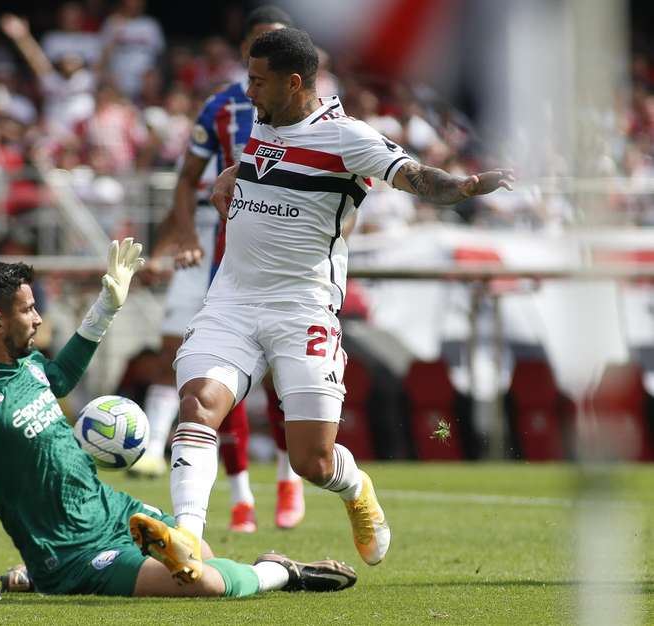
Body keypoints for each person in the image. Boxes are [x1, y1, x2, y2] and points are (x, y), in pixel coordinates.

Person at [148, 28, 515, 583]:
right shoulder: (264, 121)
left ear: (295, 82)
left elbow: (415, 176)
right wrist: (230, 174)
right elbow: (263, 166)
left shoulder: (347, 138)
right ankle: (189, 541)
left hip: (303, 308)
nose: (248, 90)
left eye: (257, 80)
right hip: (233, 298)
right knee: (199, 405)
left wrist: (461, 188)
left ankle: (356, 487)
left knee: (311, 461)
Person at [0, 238, 357, 600]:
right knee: (201, 582)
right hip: (73, 555)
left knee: (205, 558)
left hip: (116, 511)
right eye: (28, 310)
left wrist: (105, 307)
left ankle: (31, 574)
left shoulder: (27, 363)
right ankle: (282, 572)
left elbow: (58, 377)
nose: (39, 318)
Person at [133, 6, 307, 534]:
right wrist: (182, 234)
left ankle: (288, 479)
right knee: (216, 377)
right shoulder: (224, 108)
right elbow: (187, 179)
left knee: (282, 381)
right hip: (231, 260)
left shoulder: (317, 110)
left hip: (293, 261)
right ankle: (240, 496)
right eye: (259, 45)